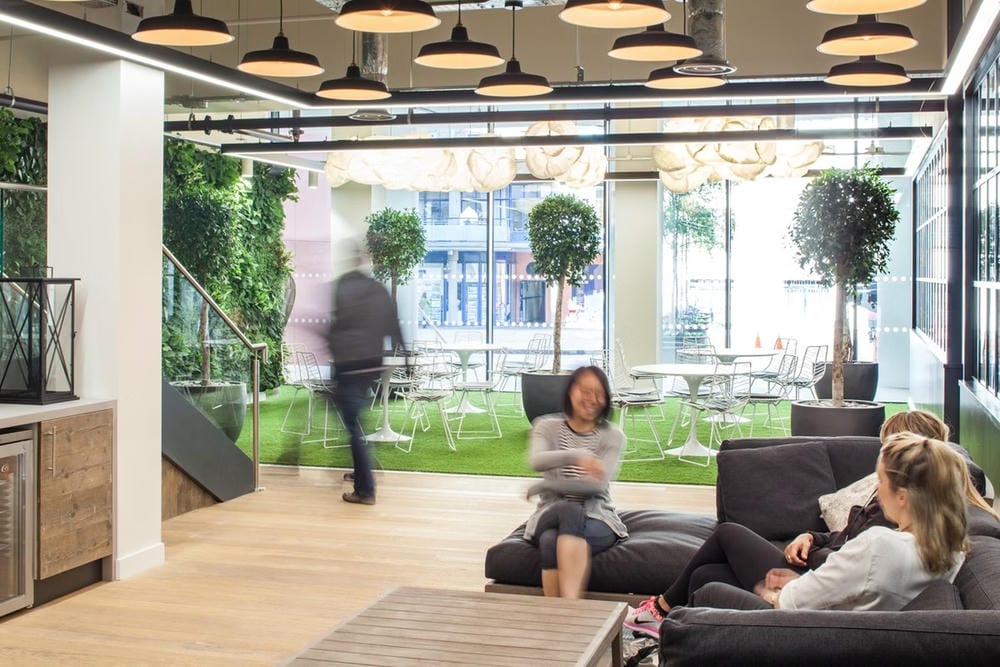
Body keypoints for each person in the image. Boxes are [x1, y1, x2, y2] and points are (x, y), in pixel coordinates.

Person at [624, 410, 979, 639]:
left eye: (882, 480)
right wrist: (811, 544)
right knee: (707, 574)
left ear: (903, 495)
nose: (876, 486)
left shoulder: (881, 546)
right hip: (832, 613)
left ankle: (660, 614)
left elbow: (792, 602)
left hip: (808, 631)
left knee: (716, 565)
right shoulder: (950, 548)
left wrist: (782, 588)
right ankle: (661, 621)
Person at [522, 365, 627, 599]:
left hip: (597, 518)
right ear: (570, 391)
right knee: (567, 509)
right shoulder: (546, 426)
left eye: (599, 393)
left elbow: (597, 486)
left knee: (551, 540)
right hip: (549, 513)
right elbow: (536, 461)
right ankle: (573, 611)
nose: (592, 399)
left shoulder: (612, 435)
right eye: (585, 391)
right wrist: (579, 456)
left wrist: (546, 486)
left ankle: (557, 618)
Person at [327, 240, 403, 506]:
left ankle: (366, 488)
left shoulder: (343, 286)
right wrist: (403, 354)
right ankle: (364, 470)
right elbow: (392, 322)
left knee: (353, 425)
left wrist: (331, 349)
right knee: (356, 420)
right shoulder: (377, 288)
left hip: (349, 363)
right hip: (372, 363)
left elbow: (337, 324)